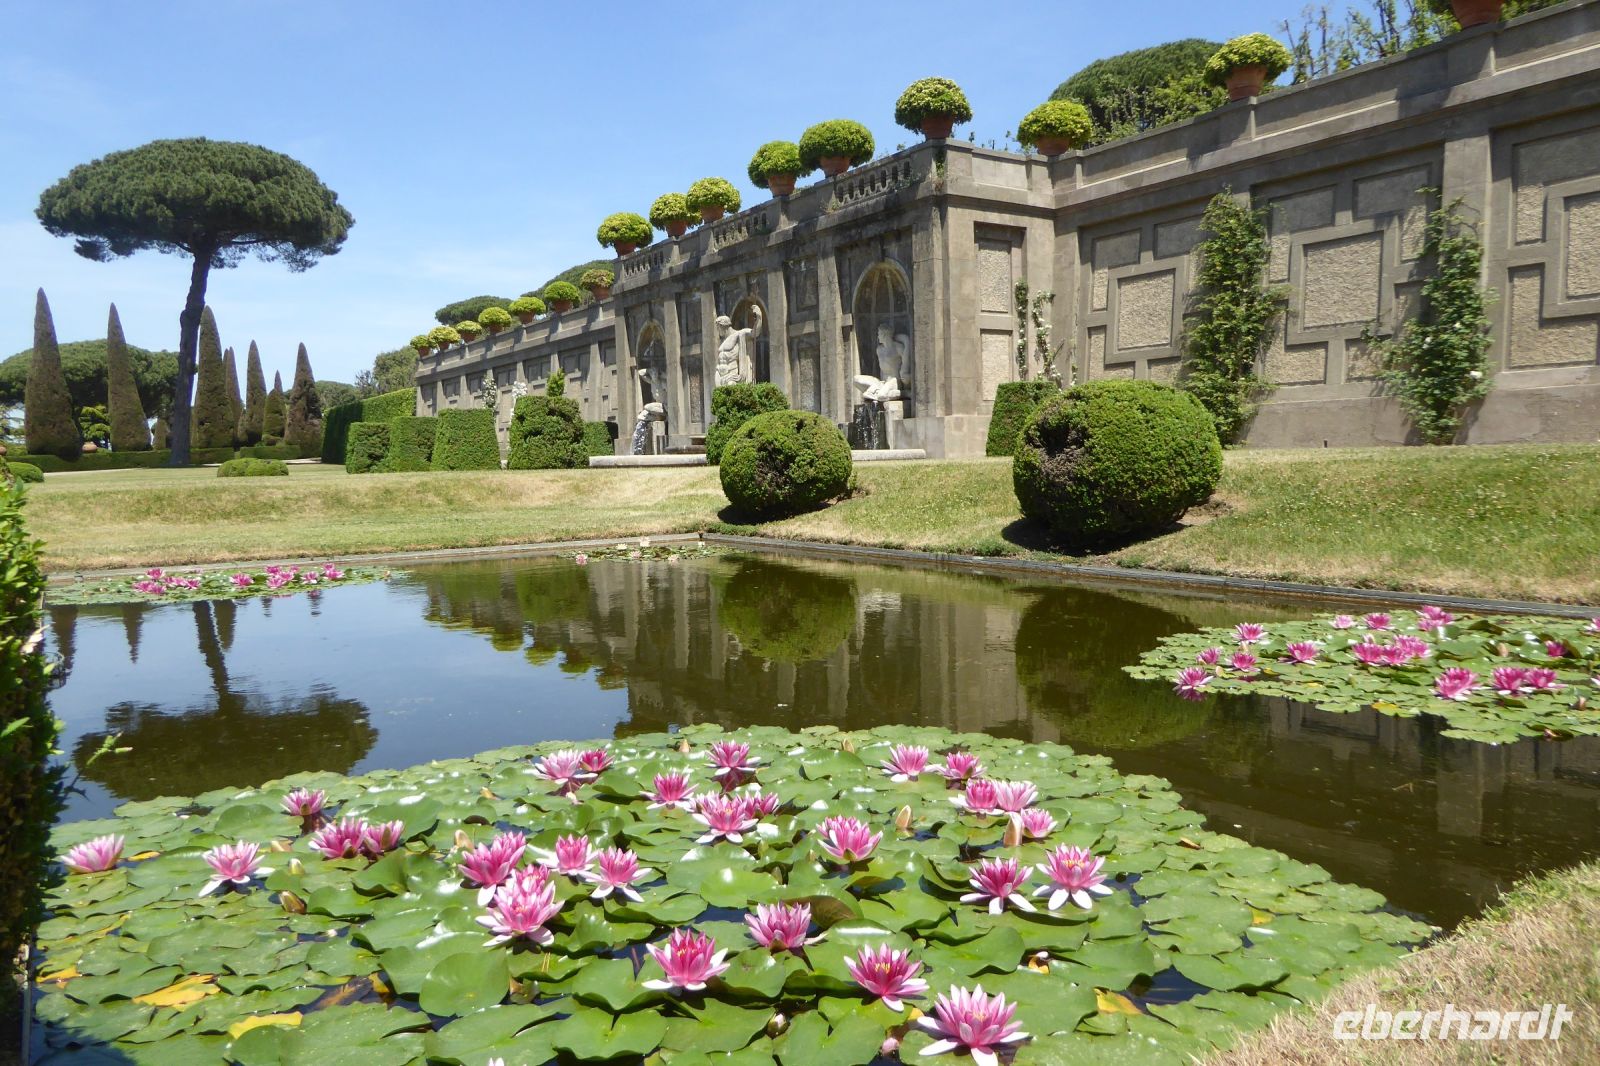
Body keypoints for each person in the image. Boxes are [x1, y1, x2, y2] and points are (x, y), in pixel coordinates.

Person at [714, 305, 763, 387]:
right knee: (717, 395)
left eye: (718, 328)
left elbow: (755, 333)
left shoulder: (740, 334)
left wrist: (759, 317)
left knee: (731, 390)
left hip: (732, 374)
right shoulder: (723, 341)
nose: (718, 331)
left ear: (724, 326)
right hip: (719, 373)